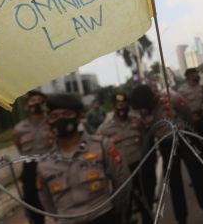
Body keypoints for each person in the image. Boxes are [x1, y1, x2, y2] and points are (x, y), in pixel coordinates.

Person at [37, 94, 130, 224]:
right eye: (54, 116)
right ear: (48, 122)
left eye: (67, 114)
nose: (60, 120)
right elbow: (47, 202)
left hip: (103, 216)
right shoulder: (44, 164)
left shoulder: (102, 146)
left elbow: (122, 180)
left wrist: (116, 212)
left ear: (79, 116)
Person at [130, 84, 203, 224]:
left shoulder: (172, 98)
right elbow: (146, 132)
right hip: (166, 145)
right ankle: (181, 219)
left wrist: (190, 136)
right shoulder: (144, 110)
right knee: (174, 184)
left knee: (198, 177)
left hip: (184, 140)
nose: (144, 109)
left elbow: (188, 117)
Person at [96, 92, 153, 224]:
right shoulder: (104, 129)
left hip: (139, 169)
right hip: (120, 174)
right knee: (123, 207)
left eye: (124, 104)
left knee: (145, 203)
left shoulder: (136, 121)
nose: (121, 107)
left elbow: (146, 139)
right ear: (113, 106)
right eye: (118, 105)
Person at [13, 91, 52, 224]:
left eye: (39, 100)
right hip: (30, 168)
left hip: (52, 166)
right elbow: (19, 146)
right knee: (32, 204)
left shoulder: (52, 123)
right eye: (32, 100)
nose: (35, 103)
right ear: (26, 106)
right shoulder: (19, 129)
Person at [178, 68, 203, 162]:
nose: (197, 75)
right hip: (191, 118)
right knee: (196, 142)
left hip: (202, 116)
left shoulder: (201, 87)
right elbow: (180, 108)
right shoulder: (182, 90)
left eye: (197, 73)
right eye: (195, 73)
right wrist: (190, 117)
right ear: (188, 76)